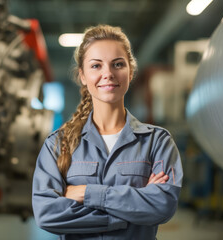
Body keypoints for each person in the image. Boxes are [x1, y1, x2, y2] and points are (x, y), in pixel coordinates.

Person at [32, 24, 183, 240]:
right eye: (96, 66)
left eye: (118, 64)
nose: (108, 74)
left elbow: (162, 206)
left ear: (130, 72)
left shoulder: (157, 142)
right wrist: (124, 216)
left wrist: (85, 193)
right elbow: (46, 213)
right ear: (82, 76)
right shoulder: (58, 144)